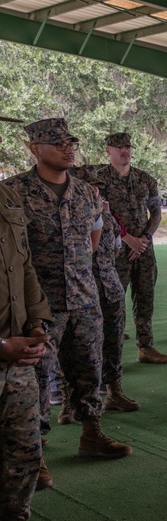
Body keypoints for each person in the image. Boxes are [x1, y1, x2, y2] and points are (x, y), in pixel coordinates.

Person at [3, 118, 132, 463]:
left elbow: (93, 239)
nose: (67, 148)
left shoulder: (87, 192)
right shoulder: (13, 193)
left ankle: (92, 433)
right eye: (57, 142)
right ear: (34, 149)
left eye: (70, 142)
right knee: (38, 378)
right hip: (39, 306)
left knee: (89, 368)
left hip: (84, 299)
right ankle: (37, 453)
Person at [0, 141, 69, 521]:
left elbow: (23, 267)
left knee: (24, 454)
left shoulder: (7, 197)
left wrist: (39, 321)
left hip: (17, 357)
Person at [92, 132, 167, 364]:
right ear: (108, 150)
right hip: (115, 251)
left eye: (127, 146)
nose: (124, 151)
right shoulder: (99, 180)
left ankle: (146, 347)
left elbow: (156, 211)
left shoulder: (145, 179)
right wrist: (128, 239)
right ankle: (109, 357)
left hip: (144, 249)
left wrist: (145, 238)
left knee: (145, 297)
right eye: (119, 148)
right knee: (113, 304)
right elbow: (102, 212)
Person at [71, 165, 139, 414]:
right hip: (81, 292)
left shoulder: (108, 217)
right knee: (78, 347)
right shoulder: (69, 217)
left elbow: (116, 250)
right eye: (90, 186)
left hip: (110, 289)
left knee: (113, 343)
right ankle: (69, 403)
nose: (96, 190)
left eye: (98, 186)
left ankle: (114, 392)